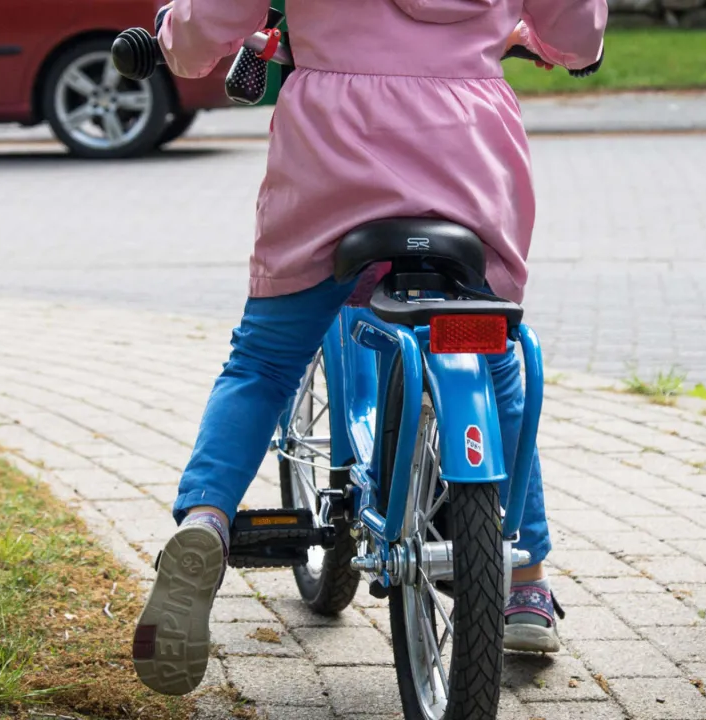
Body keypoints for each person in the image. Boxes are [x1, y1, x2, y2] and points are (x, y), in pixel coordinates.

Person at [129, 0, 607, 697]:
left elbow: (212, 23)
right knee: (495, 355)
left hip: (332, 145)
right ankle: (525, 576)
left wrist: (179, 37)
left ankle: (205, 520)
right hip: (468, 149)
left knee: (265, 359)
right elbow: (576, 32)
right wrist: (549, 43)